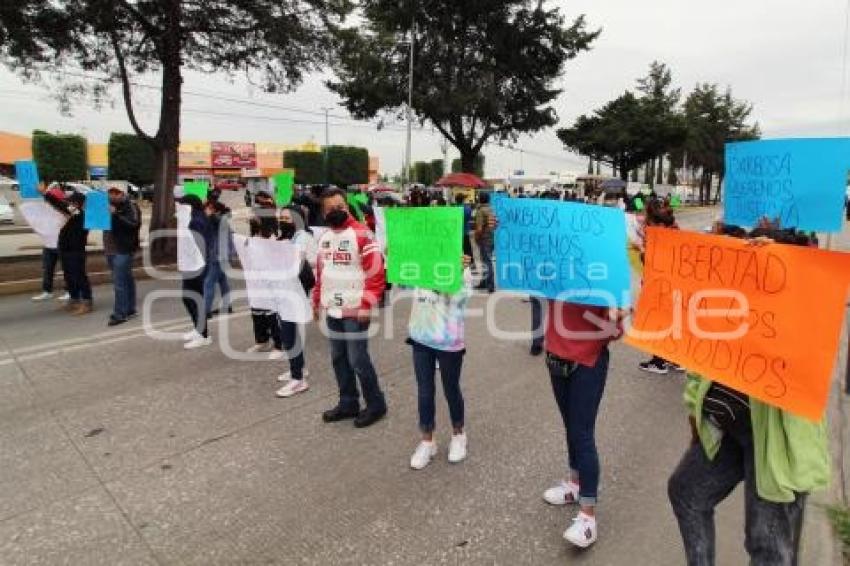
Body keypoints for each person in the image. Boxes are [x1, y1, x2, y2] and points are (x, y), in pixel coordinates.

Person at [668, 228, 829, 566]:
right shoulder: (729, 296)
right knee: (687, 492)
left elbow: (817, 312)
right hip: (727, 431)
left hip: (774, 443)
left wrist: (787, 270)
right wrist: (695, 413)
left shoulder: (797, 299)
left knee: (767, 544)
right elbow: (702, 358)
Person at [541, 299, 623, 549]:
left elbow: (615, 331)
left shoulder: (605, 275)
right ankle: (575, 484)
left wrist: (611, 317)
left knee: (582, 433)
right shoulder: (555, 266)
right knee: (571, 427)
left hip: (587, 362)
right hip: (556, 356)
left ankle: (588, 517)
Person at [313, 187, 388, 428]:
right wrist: (316, 301)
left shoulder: (363, 235)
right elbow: (321, 273)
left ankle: (375, 404)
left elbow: (376, 273)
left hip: (356, 309)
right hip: (333, 309)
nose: (336, 211)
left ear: (347, 207)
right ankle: (348, 402)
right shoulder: (324, 238)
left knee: (358, 359)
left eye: (340, 207)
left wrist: (367, 304)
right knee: (338, 358)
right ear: (323, 212)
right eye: (330, 209)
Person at [407, 260, 473, 470]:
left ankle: (459, 434)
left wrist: (457, 273)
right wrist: (397, 251)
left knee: (451, 389)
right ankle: (427, 440)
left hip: (448, 341)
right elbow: (405, 283)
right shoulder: (420, 262)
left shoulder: (461, 268)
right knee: (424, 391)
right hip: (420, 337)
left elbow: (461, 301)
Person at [637, 200, 684, 374]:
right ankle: (676, 359)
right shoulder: (675, 231)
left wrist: (642, 253)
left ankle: (659, 362)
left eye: (648, 223)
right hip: (676, 287)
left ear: (657, 223)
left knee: (658, 323)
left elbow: (653, 262)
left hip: (659, 288)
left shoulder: (659, 237)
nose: (646, 227)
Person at [275, 205, 317, 397]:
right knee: (290, 333)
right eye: (281, 217)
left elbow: (311, 262)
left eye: (287, 218)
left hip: (300, 291)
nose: (283, 221)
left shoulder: (302, 237)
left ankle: (298, 378)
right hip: (289, 290)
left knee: (292, 333)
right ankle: (298, 369)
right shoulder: (291, 236)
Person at [44, 189, 93, 315]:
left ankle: (87, 302)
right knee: (69, 277)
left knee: (79, 276)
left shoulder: (80, 214)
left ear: (77, 204)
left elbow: (59, 205)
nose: (68, 205)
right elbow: (61, 207)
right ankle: (74, 299)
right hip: (65, 250)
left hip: (76, 251)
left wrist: (45, 193)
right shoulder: (71, 216)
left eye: (70, 202)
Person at [246, 214, 283, 355]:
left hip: (270, 284)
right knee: (257, 313)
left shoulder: (273, 241)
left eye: (258, 218)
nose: (254, 219)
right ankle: (262, 341)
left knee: (272, 315)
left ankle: (279, 344)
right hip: (255, 283)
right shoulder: (251, 240)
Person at [104, 186, 142, 326]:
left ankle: (120, 314)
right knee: (126, 279)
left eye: (116, 193)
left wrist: (116, 215)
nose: (112, 196)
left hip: (123, 249)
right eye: (110, 193)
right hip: (111, 249)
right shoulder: (108, 206)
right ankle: (130, 309)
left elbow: (134, 224)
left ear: (122, 193)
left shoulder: (130, 206)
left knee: (119, 282)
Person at [178, 195, 212, 349]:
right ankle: (198, 329)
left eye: (182, 204)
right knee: (188, 298)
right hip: (191, 265)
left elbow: (202, 244)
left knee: (193, 299)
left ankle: (203, 335)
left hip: (198, 266)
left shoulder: (196, 221)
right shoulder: (191, 218)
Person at [32, 184, 69, 303]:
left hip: (62, 244)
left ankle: (69, 291)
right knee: (47, 268)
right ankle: (47, 291)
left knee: (67, 269)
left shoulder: (65, 210)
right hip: (49, 244)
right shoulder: (47, 210)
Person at [203, 200, 233, 319]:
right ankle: (227, 306)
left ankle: (206, 310)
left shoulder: (219, 219)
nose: (207, 210)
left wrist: (209, 214)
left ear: (216, 210)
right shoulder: (224, 219)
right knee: (222, 280)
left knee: (208, 283)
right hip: (223, 255)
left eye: (210, 208)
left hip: (219, 256)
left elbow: (213, 220)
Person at [473, 192, 495, 293]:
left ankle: (490, 285)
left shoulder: (480, 211)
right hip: (491, 237)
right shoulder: (491, 209)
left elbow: (479, 228)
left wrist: (476, 237)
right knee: (486, 261)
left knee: (487, 262)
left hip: (484, 238)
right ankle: (484, 282)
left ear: (480, 199)